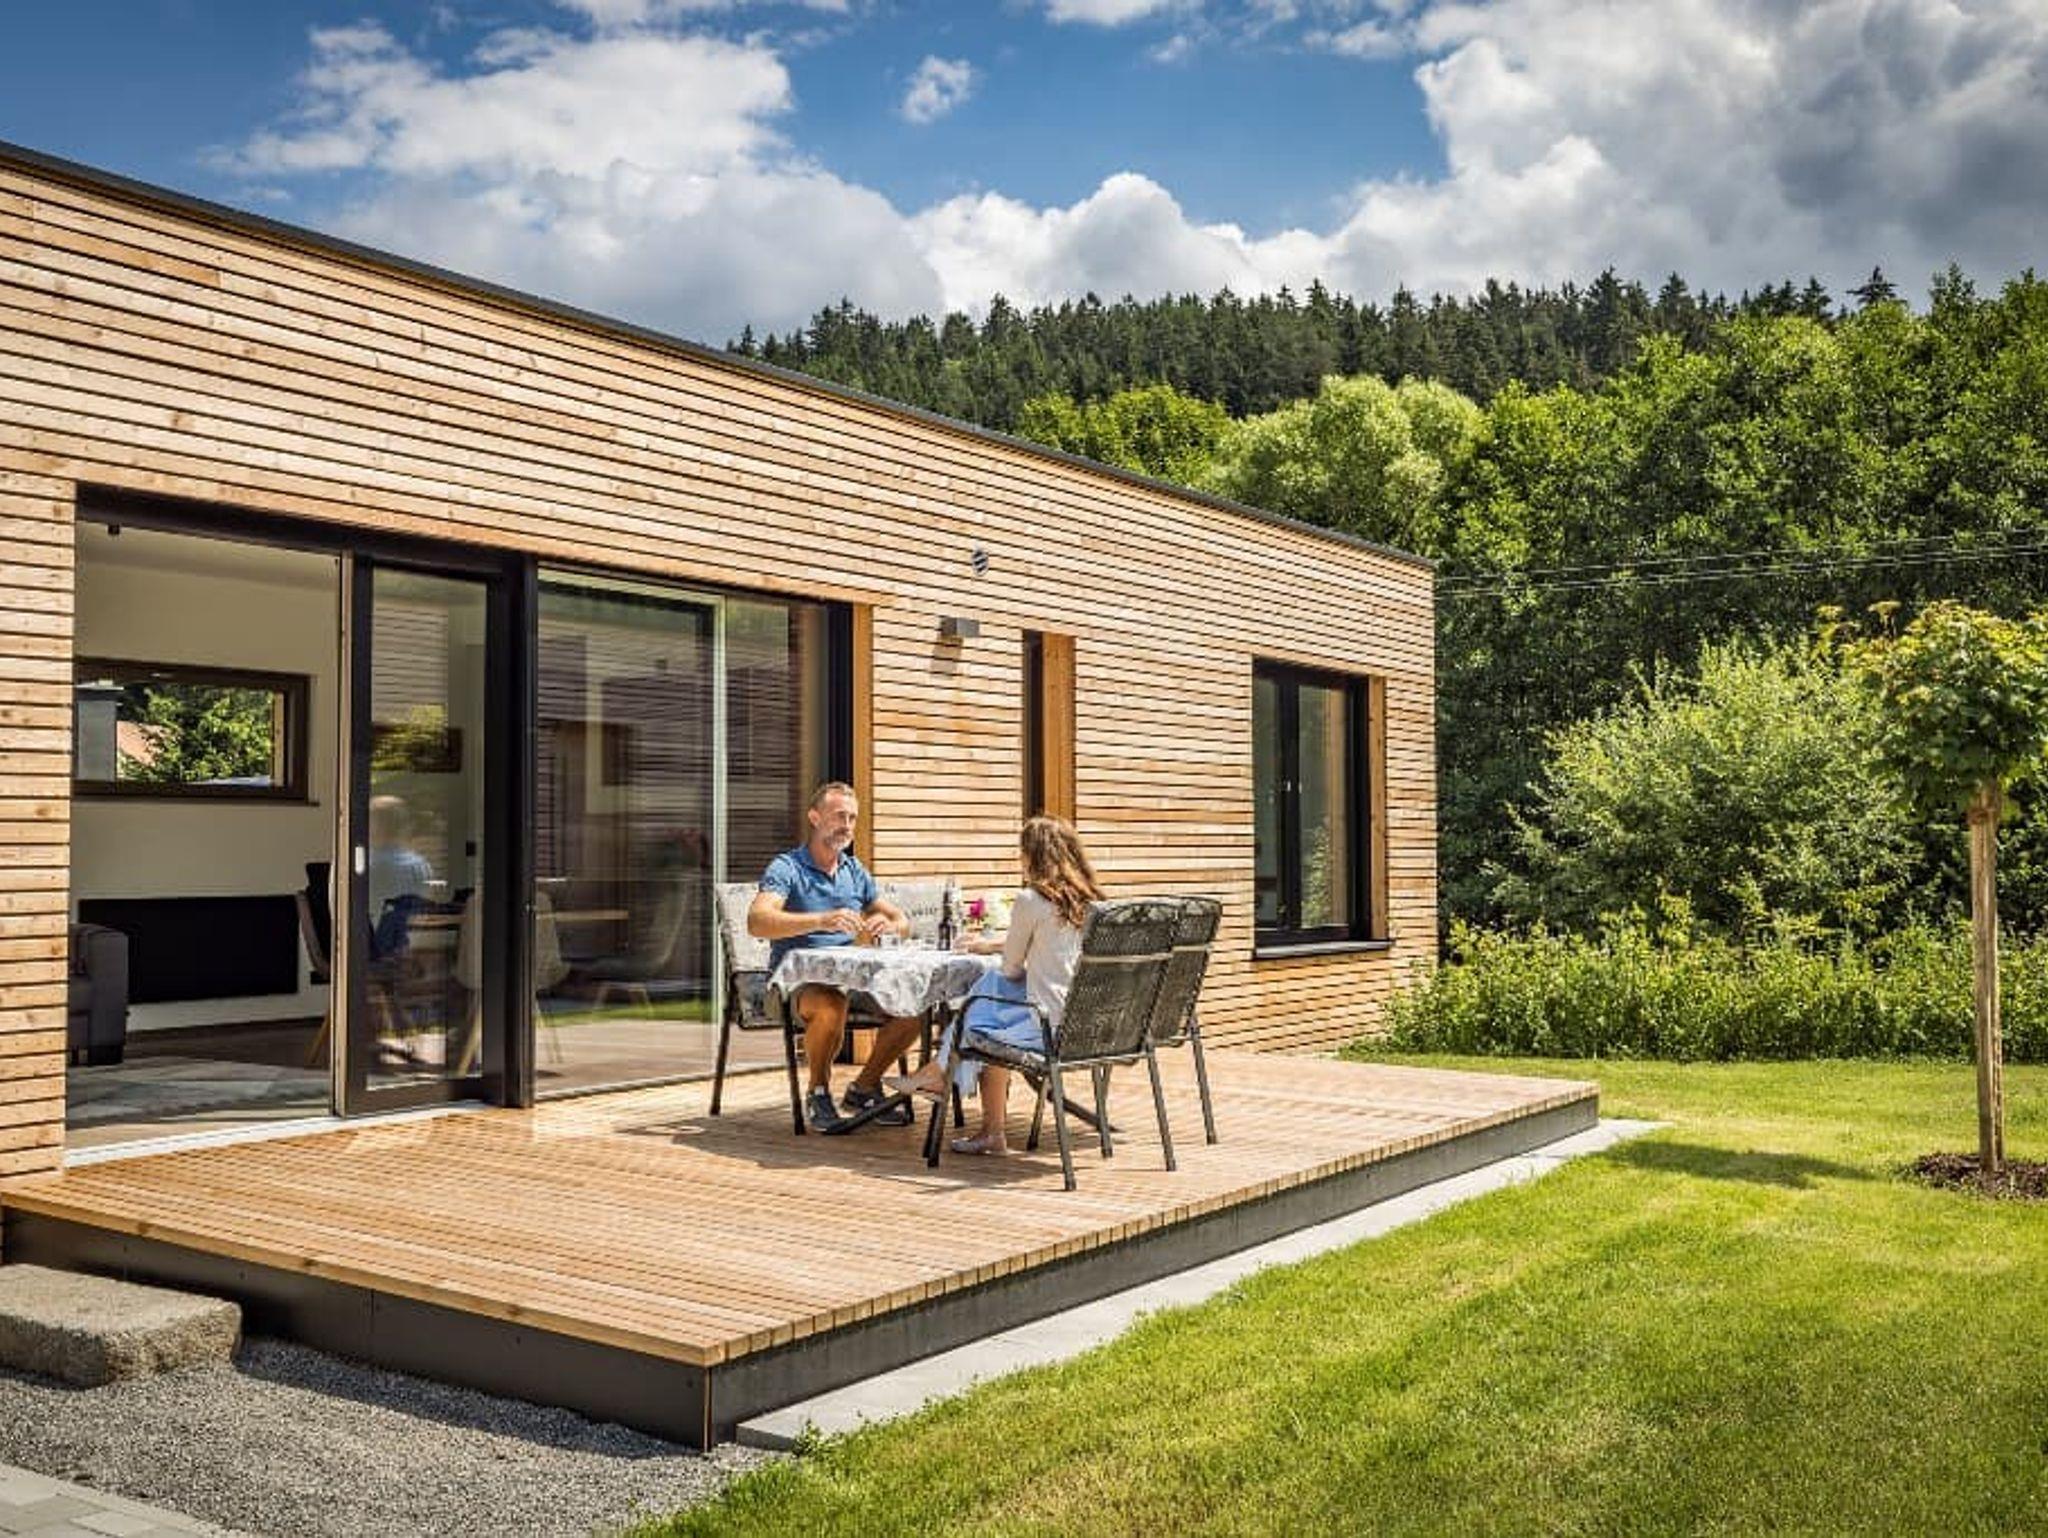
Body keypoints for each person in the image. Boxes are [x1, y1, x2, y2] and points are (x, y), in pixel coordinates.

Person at [892, 815, 1105, 1155]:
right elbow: (1053, 951)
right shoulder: (1092, 902)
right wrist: (993, 945)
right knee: (988, 1000)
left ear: (1032, 855)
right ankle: (943, 1079)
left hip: (1050, 1029)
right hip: (1092, 1026)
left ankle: (942, 1077)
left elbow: (1010, 969)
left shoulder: (1032, 900)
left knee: (981, 1020)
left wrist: (1002, 950)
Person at [748, 782, 923, 1132]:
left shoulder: (854, 871)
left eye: (852, 818)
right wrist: (820, 920)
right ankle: (818, 1091)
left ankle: (864, 1087)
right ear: (815, 818)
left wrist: (889, 925)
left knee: (915, 1006)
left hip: (850, 980)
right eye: (839, 816)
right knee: (830, 1002)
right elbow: (757, 921)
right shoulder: (787, 867)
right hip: (793, 984)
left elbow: (902, 921)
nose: (847, 825)